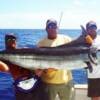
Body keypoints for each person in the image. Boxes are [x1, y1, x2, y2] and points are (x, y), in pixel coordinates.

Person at [36, 19, 75, 100]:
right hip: (48, 83)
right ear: (46, 29)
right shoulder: (41, 43)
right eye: (49, 26)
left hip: (66, 82)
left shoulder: (67, 39)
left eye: (54, 26)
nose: (52, 28)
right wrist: (44, 70)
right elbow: (39, 64)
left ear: (57, 27)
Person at [4, 34, 39, 100]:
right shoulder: (4, 57)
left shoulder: (23, 51)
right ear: (6, 42)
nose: (12, 41)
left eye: (14, 40)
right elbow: (6, 69)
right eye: (9, 40)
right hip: (21, 87)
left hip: (33, 82)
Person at [84, 21, 100, 100]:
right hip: (94, 75)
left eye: (94, 27)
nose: (92, 29)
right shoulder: (83, 41)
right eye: (90, 28)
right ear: (86, 30)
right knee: (95, 97)